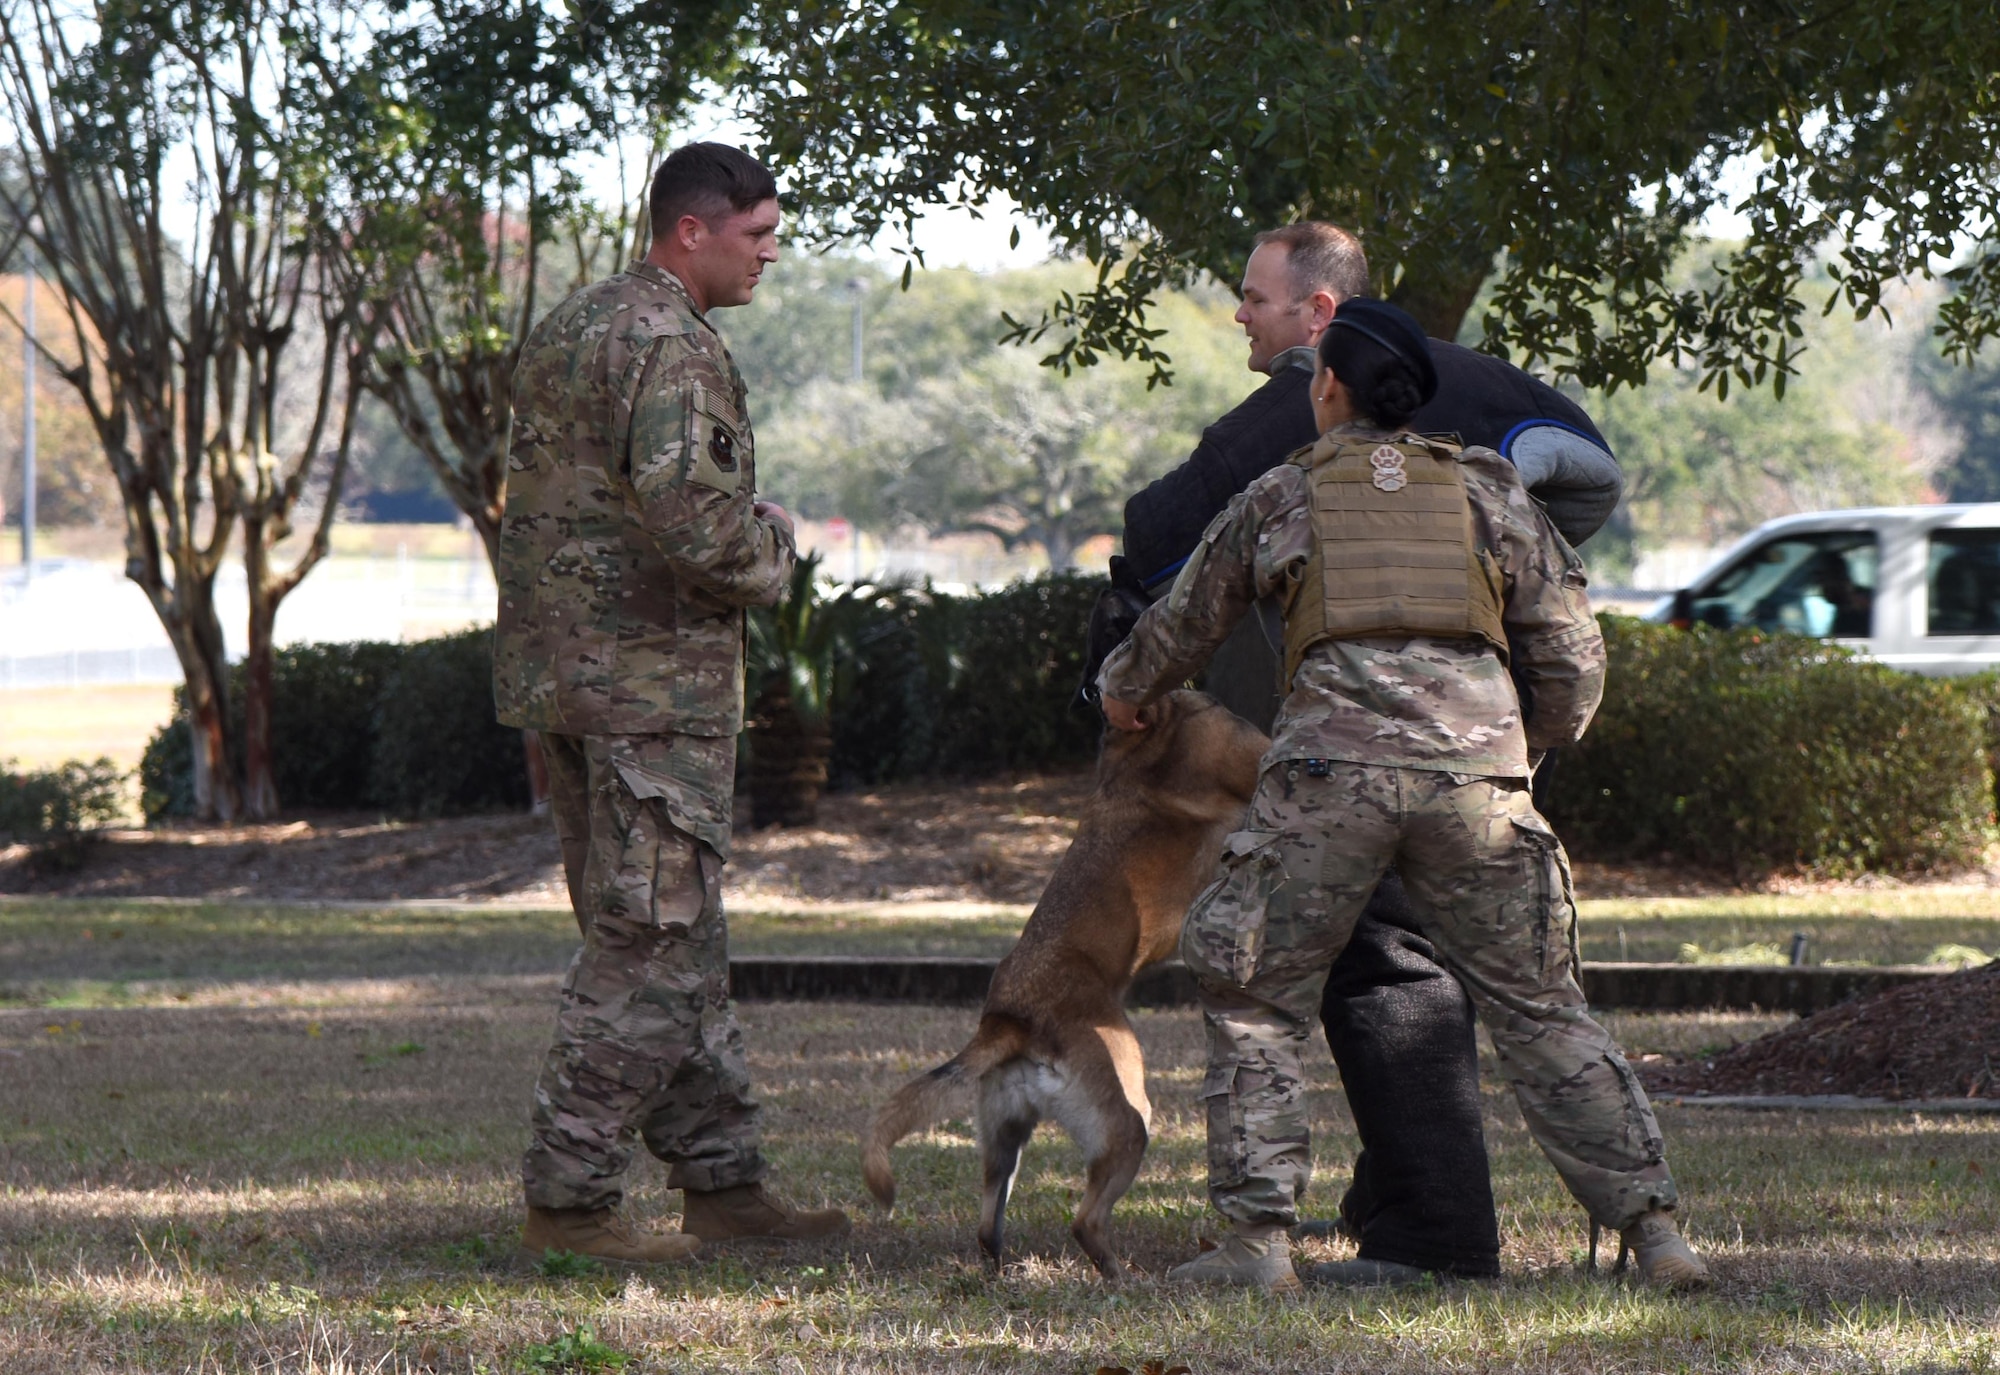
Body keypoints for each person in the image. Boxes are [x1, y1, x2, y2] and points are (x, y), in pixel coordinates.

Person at [1097, 297, 1706, 1293]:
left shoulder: (1279, 492)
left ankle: (1254, 1244)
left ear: (1323, 387)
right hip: (1477, 785)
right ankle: (1655, 1235)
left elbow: (1179, 625)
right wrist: (1522, 746)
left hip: (1323, 783)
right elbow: (1572, 659)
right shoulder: (1491, 492)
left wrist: (1127, 694)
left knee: (1255, 998)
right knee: (1543, 1009)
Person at [495, 142, 849, 1265]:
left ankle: (722, 1179)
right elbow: (695, 522)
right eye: (755, 235)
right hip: (652, 684)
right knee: (651, 939)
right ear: (688, 229)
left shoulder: (570, 325)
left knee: (673, 933)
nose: (770, 253)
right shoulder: (673, 343)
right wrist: (777, 540)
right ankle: (570, 1197)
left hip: (570, 678)